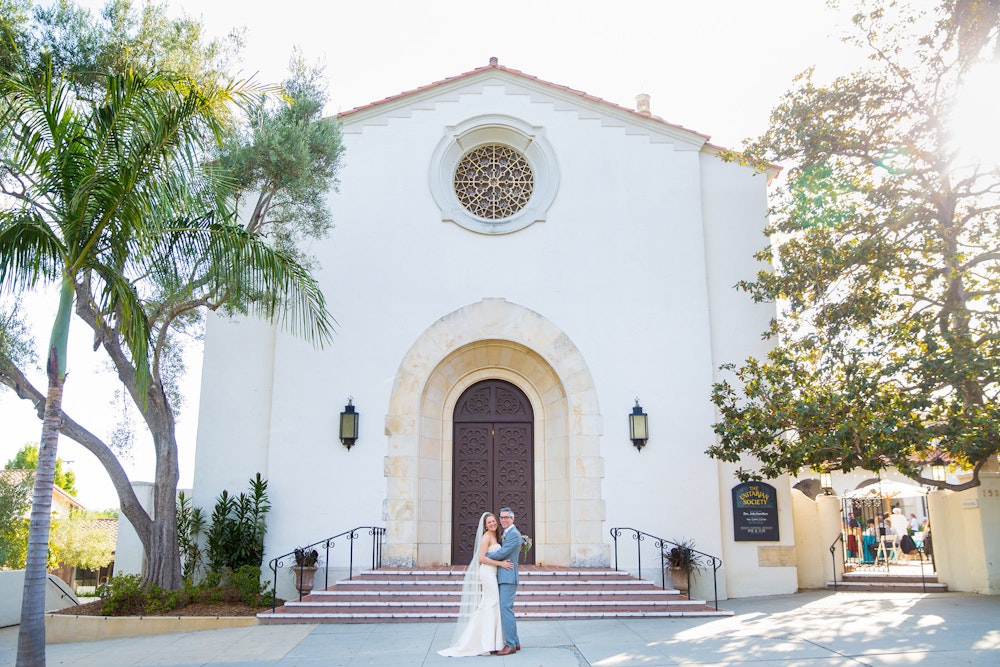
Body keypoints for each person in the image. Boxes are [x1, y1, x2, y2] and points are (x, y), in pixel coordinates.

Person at [438, 512, 514, 657]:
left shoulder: (495, 536)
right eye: (489, 522)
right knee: (492, 603)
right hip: (487, 573)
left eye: (493, 521)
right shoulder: (486, 537)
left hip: (493, 572)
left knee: (489, 604)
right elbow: (481, 558)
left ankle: (491, 641)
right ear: (485, 525)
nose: (492, 524)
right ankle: (486, 643)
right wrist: (501, 564)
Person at [493, 506, 522, 656]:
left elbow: (502, 553)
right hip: (504, 576)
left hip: (508, 576)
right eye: (502, 517)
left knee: (506, 610)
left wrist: (484, 555)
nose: (503, 520)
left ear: (513, 519)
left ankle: (510, 645)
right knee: (506, 610)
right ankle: (515, 642)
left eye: (506, 517)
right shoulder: (507, 533)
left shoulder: (514, 535)